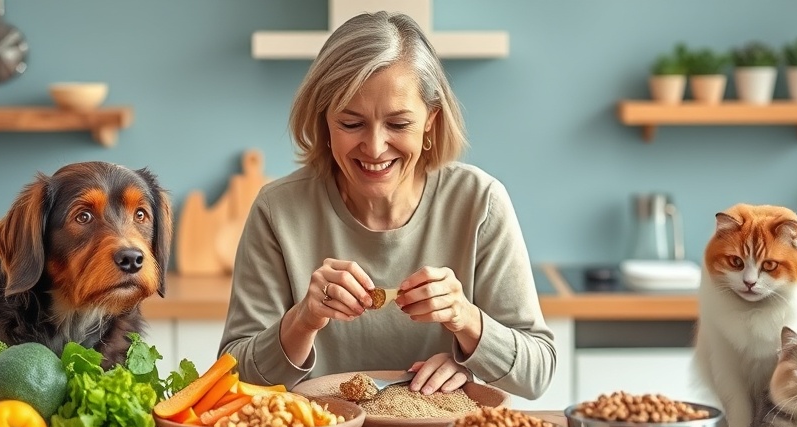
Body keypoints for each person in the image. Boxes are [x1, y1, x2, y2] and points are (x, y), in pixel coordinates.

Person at [218, 11, 555, 399]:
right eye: (351, 123)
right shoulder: (277, 210)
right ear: (323, 120)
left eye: (398, 124)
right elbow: (232, 378)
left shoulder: (479, 203)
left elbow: (538, 373)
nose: (375, 148)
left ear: (431, 119)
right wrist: (303, 320)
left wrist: (467, 324)